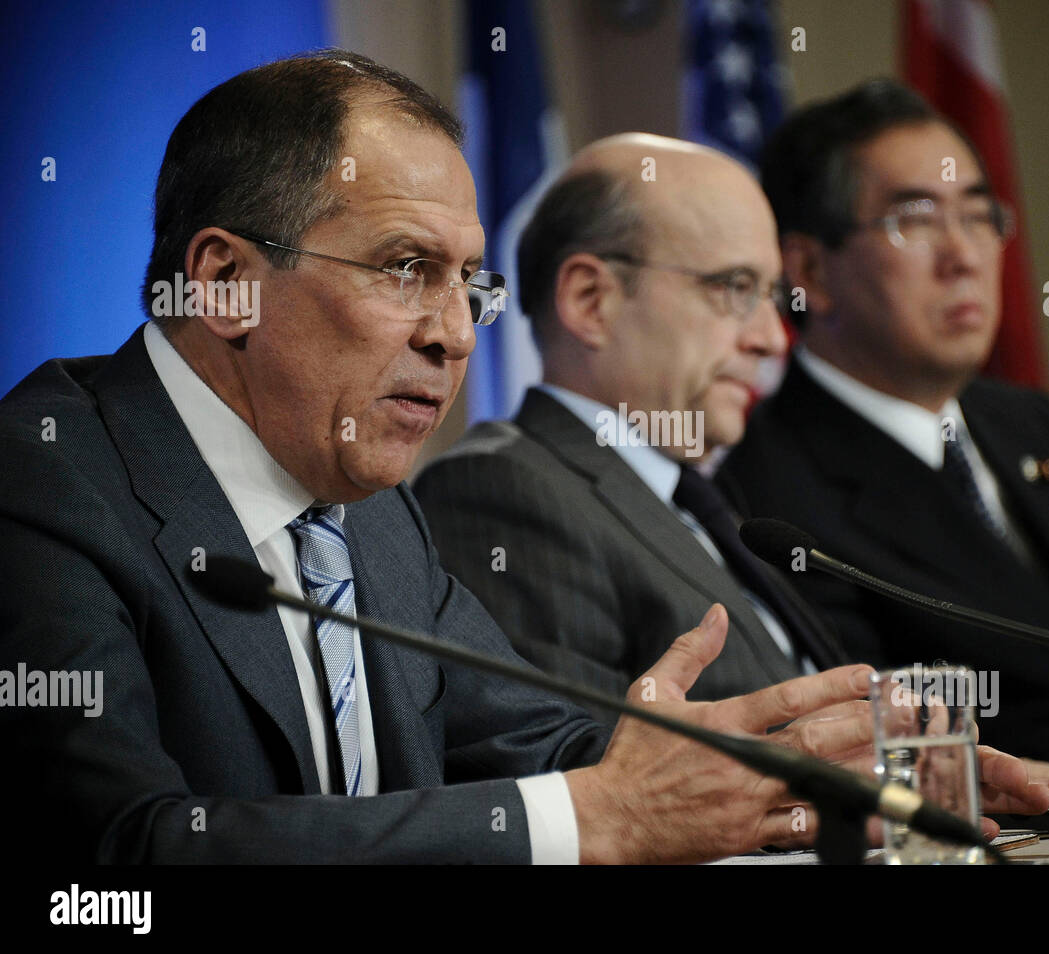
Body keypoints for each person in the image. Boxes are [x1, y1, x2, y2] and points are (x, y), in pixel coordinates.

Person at [0, 53, 915, 865]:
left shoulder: (367, 505)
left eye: (469, 285)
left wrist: (806, 777)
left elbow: (542, 749)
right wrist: (591, 819)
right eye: (406, 269)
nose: (455, 335)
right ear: (225, 283)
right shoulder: (43, 479)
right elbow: (116, 854)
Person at [414, 133, 1049, 800]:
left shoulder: (706, 494)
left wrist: (937, 778)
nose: (771, 337)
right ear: (591, 300)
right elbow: (588, 791)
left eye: (772, 295)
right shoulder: (503, 490)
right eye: (734, 289)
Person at [718, 80, 1049, 772]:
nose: (965, 256)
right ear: (808, 270)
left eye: (980, 216)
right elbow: (875, 742)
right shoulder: (764, 495)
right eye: (916, 220)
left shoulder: (1040, 429)